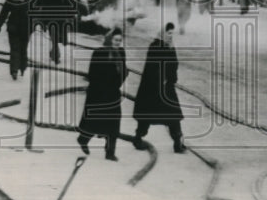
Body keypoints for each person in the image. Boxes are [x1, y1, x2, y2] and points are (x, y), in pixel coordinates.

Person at [132, 23, 185, 154]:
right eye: (168, 33)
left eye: (172, 33)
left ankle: (177, 142)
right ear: (162, 33)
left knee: (173, 115)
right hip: (152, 88)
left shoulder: (169, 47)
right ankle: (138, 138)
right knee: (146, 116)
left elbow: (174, 65)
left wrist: (172, 51)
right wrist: (161, 79)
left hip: (166, 87)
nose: (170, 36)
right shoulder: (154, 47)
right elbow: (152, 67)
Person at [76, 28, 128, 161]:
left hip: (113, 94)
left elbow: (122, 72)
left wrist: (122, 77)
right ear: (109, 39)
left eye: (119, 41)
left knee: (114, 123)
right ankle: (83, 139)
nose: (117, 43)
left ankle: (110, 152)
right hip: (98, 93)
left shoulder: (121, 53)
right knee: (94, 121)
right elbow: (92, 74)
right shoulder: (99, 53)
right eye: (115, 40)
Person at [32, 0, 86, 66]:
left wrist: (72, 15)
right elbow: (42, 8)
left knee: (61, 39)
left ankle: (53, 52)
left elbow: (69, 4)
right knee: (54, 38)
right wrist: (43, 22)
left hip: (62, 20)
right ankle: (56, 57)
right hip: (51, 20)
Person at [0, 0, 35, 79]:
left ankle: (22, 67)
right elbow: (4, 12)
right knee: (15, 49)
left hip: (26, 27)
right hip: (14, 27)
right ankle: (14, 70)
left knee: (23, 48)